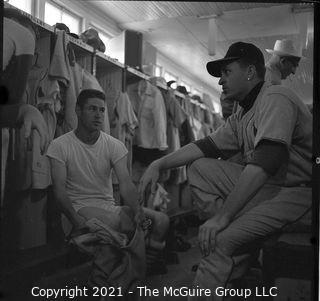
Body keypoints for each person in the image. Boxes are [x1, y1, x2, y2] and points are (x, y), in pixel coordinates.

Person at [139, 42, 312, 299]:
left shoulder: (276, 98)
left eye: (227, 72)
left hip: (298, 195)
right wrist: (158, 163)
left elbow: (268, 161)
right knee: (198, 167)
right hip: (272, 190)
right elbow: (205, 145)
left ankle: (227, 248)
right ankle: (236, 236)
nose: (221, 81)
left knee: (221, 240)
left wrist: (223, 218)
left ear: (251, 71)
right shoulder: (243, 110)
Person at [46, 89, 169, 289]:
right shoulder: (60, 145)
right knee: (118, 224)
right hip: (76, 209)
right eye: (92, 109)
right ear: (78, 110)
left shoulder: (114, 145)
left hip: (107, 208)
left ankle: (135, 274)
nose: (98, 115)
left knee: (161, 220)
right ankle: (106, 283)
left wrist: (137, 212)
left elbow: (126, 185)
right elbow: (59, 193)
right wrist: (77, 222)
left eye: (102, 110)